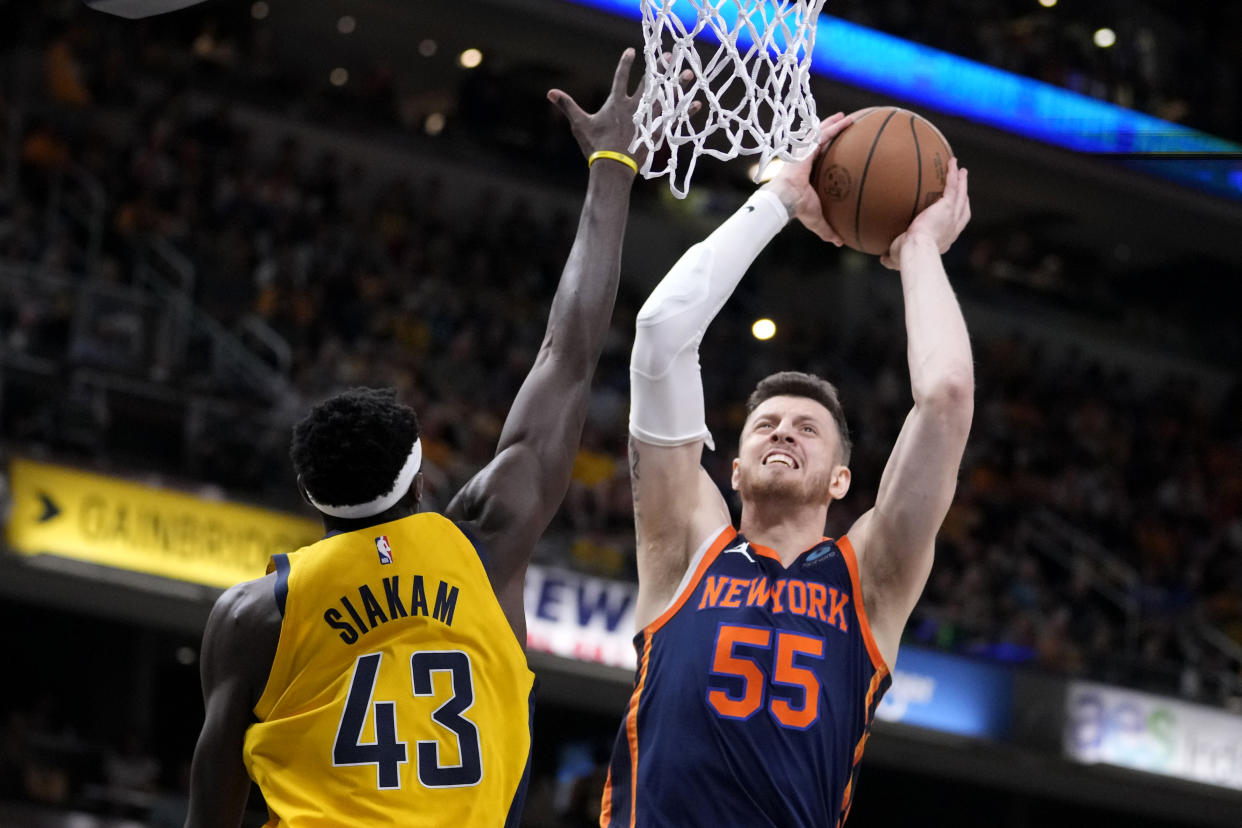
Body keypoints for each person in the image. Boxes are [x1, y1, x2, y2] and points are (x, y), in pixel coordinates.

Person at [185, 49, 649, 828]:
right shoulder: (485, 542)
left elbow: (212, 808)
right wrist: (610, 166)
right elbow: (566, 356)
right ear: (421, 475)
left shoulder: (253, 615)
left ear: (313, 497)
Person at [601, 113, 974, 826]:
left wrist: (919, 248)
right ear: (733, 470)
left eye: (809, 429)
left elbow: (947, 396)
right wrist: (776, 198)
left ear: (841, 480)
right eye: (765, 425)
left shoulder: (871, 580)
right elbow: (659, 336)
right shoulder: (685, 542)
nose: (783, 432)